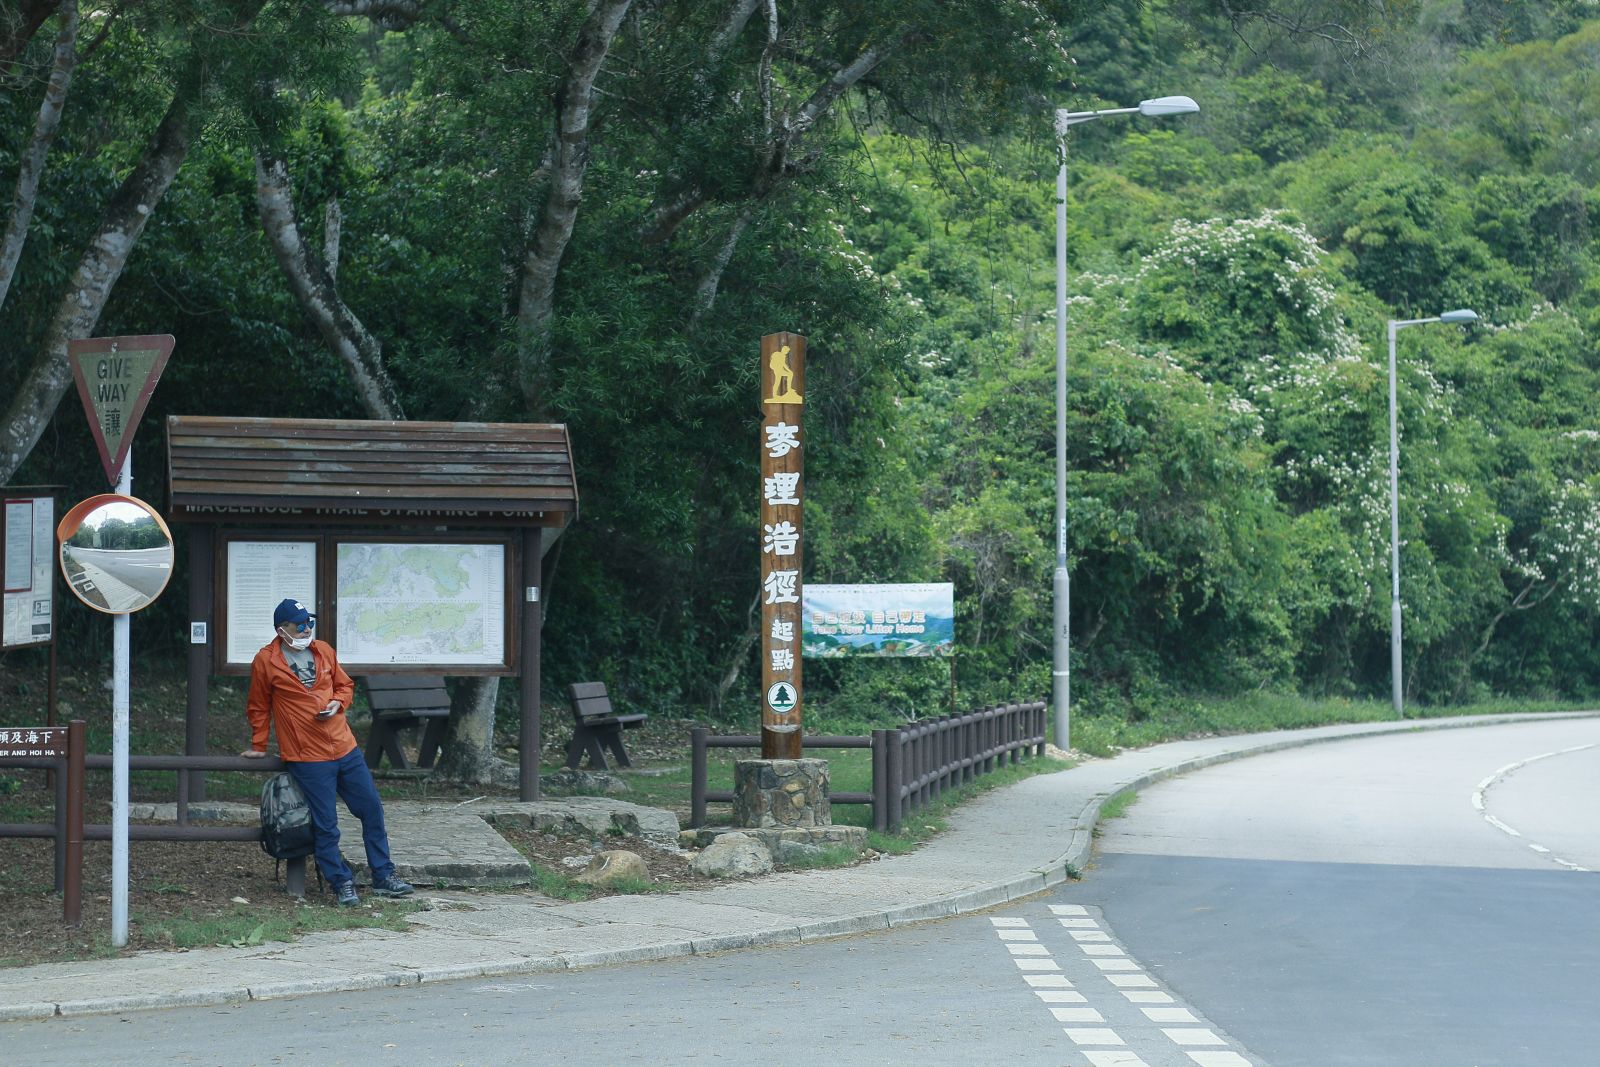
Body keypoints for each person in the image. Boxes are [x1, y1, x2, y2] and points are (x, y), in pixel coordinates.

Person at [241, 598, 413, 905]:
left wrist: (338, 703)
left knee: (372, 808)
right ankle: (341, 882)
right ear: (283, 630)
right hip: (307, 756)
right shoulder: (266, 661)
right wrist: (258, 745)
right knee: (326, 823)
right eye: (300, 625)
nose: (307, 628)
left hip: (344, 747)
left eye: (309, 623)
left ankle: (383, 875)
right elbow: (258, 706)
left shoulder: (323, 650)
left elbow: (344, 685)